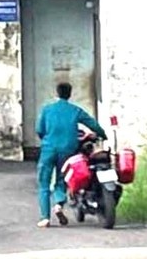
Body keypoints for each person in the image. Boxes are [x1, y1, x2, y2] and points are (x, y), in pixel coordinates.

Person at [34, 82, 107, 228]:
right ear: (70, 94)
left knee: (44, 183)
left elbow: (39, 129)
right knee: (62, 179)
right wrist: (102, 134)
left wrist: (47, 140)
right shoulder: (75, 110)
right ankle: (59, 205)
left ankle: (45, 218)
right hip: (68, 150)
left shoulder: (47, 110)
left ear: (57, 93)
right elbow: (92, 124)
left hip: (49, 149)